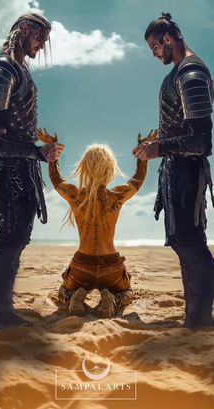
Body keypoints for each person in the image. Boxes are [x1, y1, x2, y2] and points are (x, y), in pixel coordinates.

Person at [0, 13, 64, 329]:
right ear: (25, 30)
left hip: (25, 169)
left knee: (18, 239)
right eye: (39, 38)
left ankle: (3, 311)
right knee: (8, 240)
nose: (41, 47)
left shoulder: (19, 69)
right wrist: (37, 152)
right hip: (12, 169)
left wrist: (39, 153)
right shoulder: (1, 69)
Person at [135, 12, 214, 328]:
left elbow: (201, 140)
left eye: (154, 47)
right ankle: (195, 318)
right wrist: (159, 145)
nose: (155, 54)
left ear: (168, 39)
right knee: (184, 243)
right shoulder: (183, 71)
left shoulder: (191, 72)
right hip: (176, 171)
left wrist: (159, 148)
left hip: (187, 171)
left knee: (190, 243)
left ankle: (197, 321)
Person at [38, 129, 152, 318]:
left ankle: (74, 297)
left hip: (82, 265)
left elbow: (56, 179)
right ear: (110, 168)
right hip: (111, 266)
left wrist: (52, 152)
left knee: (63, 291)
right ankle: (112, 299)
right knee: (127, 292)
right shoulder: (117, 195)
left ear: (84, 168)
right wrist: (143, 155)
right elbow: (138, 179)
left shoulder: (75, 194)